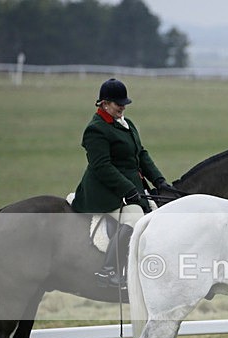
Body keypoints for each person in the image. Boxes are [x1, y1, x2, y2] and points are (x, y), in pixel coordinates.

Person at [71, 78, 168, 288]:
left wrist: (159, 181)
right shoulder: (96, 130)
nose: (122, 107)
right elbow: (102, 167)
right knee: (135, 220)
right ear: (104, 103)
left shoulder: (127, 124)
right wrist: (129, 189)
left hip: (130, 187)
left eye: (124, 103)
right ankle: (109, 272)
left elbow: (140, 154)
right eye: (118, 103)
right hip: (104, 191)